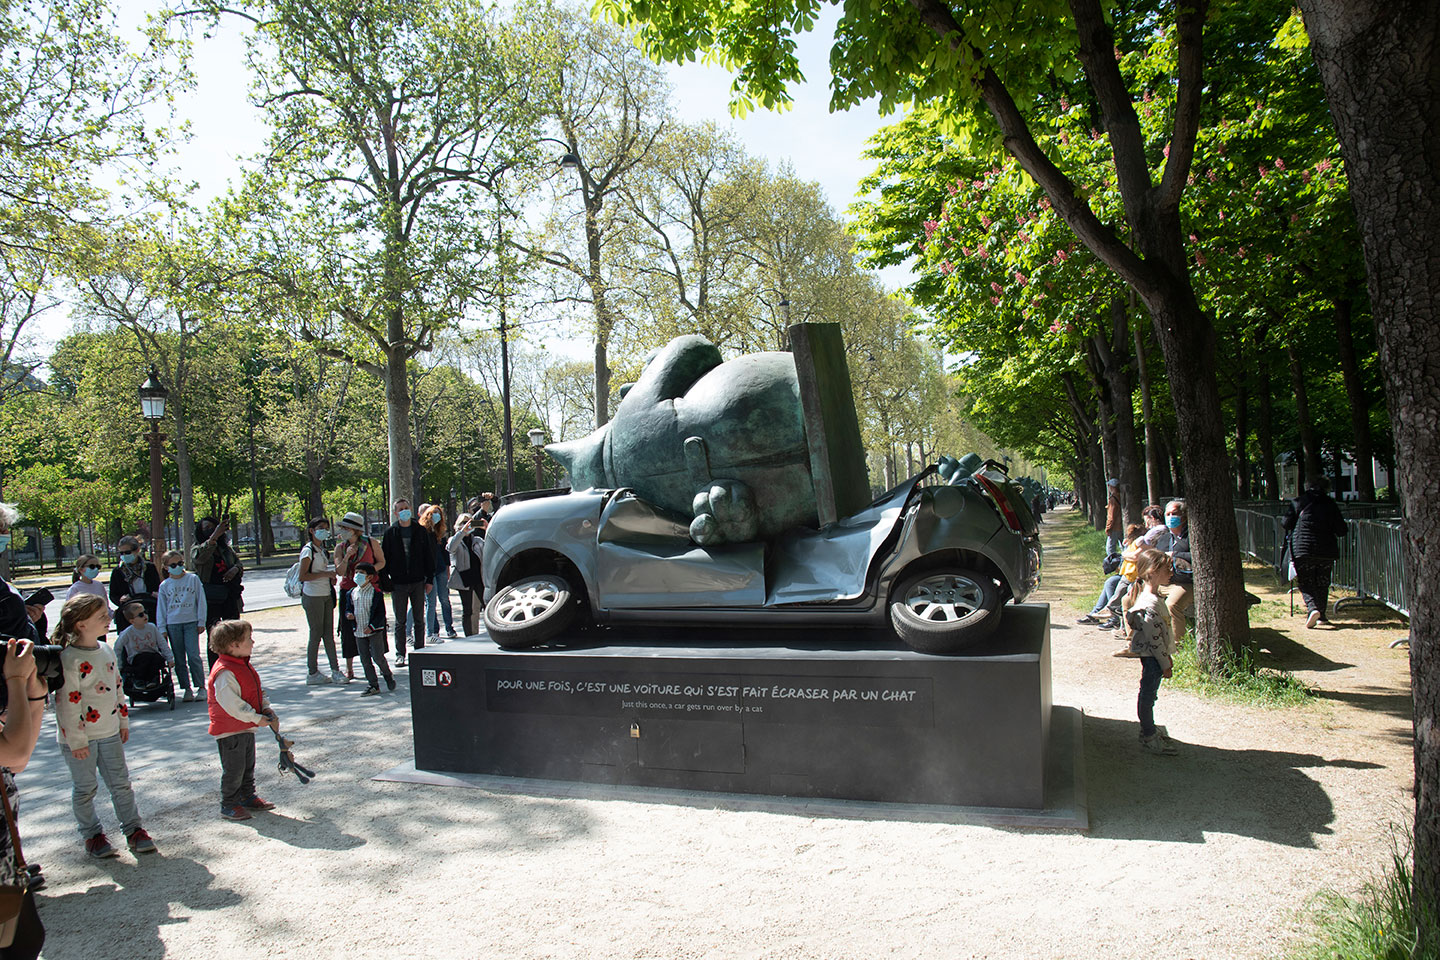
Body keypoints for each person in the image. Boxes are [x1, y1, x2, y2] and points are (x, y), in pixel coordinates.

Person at [52, 594, 157, 858]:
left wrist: (122, 720)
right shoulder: (68, 658)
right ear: (81, 624)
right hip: (80, 740)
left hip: (109, 732)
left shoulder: (106, 650)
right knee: (85, 788)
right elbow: (67, 704)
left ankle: (134, 829)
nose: (108, 619)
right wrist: (77, 741)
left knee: (121, 784)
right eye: (101, 616)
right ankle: (92, 835)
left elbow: (117, 688)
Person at [0, 635, 50, 958]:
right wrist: (15, 680)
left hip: (4, 863)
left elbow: (16, 760)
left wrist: (34, 695)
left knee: (24, 940)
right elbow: (15, 750)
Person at [205, 620, 278, 821]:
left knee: (247, 765)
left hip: (245, 727)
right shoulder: (224, 672)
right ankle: (229, 804)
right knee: (234, 769)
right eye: (248, 639)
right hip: (230, 730)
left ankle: (247, 796)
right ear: (234, 645)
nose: (253, 642)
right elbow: (233, 705)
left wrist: (264, 707)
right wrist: (256, 718)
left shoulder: (242, 665)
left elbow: (255, 690)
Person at [1116, 546, 1180, 755]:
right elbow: (1155, 642)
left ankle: (1148, 730)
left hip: (1156, 657)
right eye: (1167, 569)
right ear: (1152, 572)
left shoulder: (1155, 598)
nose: (1171, 572)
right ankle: (1148, 734)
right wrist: (1165, 663)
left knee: (1150, 695)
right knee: (1148, 696)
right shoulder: (1148, 605)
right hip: (1153, 658)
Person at [1283, 476, 1349, 629]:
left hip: (1302, 548)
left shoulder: (1299, 501)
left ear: (1307, 486)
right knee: (1322, 582)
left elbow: (1285, 523)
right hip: (1326, 549)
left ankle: (1312, 609)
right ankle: (1322, 615)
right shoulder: (1330, 504)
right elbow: (1341, 530)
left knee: (1305, 580)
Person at [380, 499, 434, 666]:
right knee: (400, 621)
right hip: (398, 583)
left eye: (406, 508)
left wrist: (429, 579)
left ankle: (420, 650)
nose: (404, 511)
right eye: (400, 509)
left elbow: (428, 556)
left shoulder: (420, 531)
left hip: (418, 581)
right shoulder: (390, 533)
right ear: (395, 513)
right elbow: (384, 559)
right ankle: (400, 653)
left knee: (419, 619)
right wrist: (385, 582)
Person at [334, 512, 385, 681]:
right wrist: (347, 556)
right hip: (349, 591)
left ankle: (379, 663)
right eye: (342, 528)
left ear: (354, 530)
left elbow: (381, 561)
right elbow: (340, 571)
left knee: (373, 626)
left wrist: (368, 572)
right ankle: (349, 668)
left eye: (346, 528)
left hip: (369, 590)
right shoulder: (340, 548)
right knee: (349, 628)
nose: (343, 531)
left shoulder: (371, 543)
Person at [155, 549, 207, 703]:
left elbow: (201, 600)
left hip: (191, 621)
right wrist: (162, 628)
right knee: (179, 658)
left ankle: (201, 686)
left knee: (193, 655)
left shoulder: (193, 579)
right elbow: (161, 608)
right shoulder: (165, 585)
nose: (177, 567)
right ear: (166, 567)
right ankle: (186, 688)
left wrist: (201, 621)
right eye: (173, 565)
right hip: (173, 624)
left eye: (180, 563)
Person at [193, 517, 243, 662]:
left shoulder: (225, 549)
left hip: (229, 596)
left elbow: (238, 563)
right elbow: (199, 558)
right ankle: (217, 667)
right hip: (210, 598)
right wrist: (214, 536)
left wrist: (235, 569)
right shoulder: (197, 548)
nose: (210, 530)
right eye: (206, 528)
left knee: (234, 632)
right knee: (214, 635)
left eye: (213, 527)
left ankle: (235, 664)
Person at [298, 518, 342, 684]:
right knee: (316, 633)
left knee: (328, 634)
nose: (324, 531)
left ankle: (335, 670)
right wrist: (326, 574)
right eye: (320, 528)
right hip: (312, 596)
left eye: (326, 528)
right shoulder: (308, 551)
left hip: (325, 594)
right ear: (312, 531)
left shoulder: (321, 550)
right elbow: (303, 576)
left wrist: (329, 578)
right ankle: (312, 672)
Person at [1077, 523, 1145, 627]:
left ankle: (1113, 618)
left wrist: (1125, 554)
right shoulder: (1131, 545)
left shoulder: (1143, 543)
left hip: (1135, 576)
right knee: (1110, 582)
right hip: (1127, 574)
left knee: (1113, 584)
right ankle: (1096, 613)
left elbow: (1133, 557)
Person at [343, 562, 395, 697]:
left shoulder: (376, 593)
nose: (357, 575)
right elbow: (348, 608)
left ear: (370, 577)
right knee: (365, 659)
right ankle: (373, 684)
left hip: (374, 631)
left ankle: (387, 674)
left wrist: (372, 627)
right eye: (356, 572)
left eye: (361, 573)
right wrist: (349, 615)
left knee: (378, 657)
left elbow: (380, 614)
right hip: (359, 631)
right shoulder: (351, 593)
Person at [1139, 499, 1194, 623]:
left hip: (1184, 583)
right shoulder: (1164, 538)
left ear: (1184, 516)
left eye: (1174, 514)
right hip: (1163, 581)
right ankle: (1138, 633)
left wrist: (1175, 554)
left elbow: (1198, 558)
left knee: (1171, 605)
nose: (1170, 517)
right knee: (1128, 599)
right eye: (1168, 514)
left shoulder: (1191, 537)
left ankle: (1175, 636)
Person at [108, 536, 161, 633]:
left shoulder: (149, 567)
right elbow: (113, 594)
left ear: (137, 550)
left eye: (127, 552)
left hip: (149, 607)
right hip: (129, 611)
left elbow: (156, 587)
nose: (124, 555)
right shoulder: (118, 571)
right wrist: (120, 599)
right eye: (121, 553)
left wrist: (155, 594)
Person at [421, 506, 456, 642]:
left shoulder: (440, 532)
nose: (436, 516)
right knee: (431, 602)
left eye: (439, 513)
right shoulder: (424, 532)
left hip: (441, 569)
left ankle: (449, 628)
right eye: (434, 513)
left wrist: (447, 569)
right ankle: (432, 631)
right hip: (429, 572)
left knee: (444, 599)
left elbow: (445, 554)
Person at [447, 512, 485, 636]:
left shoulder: (477, 540)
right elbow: (451, 548)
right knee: (467, 610)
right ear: (458, 525)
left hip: (479, 579)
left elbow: (490, 547)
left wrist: (487, 528)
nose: (468, 525)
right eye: (464, 522)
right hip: (464, 580)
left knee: (487, 605)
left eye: (470, 522)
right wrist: (462, 532)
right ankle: (469, 636)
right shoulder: (454, 540)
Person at [114, 603, 175, 676]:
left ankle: (154, 679)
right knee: (144, 660)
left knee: (157, 659)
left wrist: (169, 658)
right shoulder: (127, 633)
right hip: (137, 658)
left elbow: (162, 643)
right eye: (141, 615)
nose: (145, 615)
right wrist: (119, 665)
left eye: (145, 612)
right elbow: (117, 647)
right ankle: (142, 679)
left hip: (153, 655)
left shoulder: (152, 627)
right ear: (132, 621)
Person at [1104, 478, 1122, 554]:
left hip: (1115, 526)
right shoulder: (1121, 496)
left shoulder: (1113, 499)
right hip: (1121, 524)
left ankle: (1112, 560)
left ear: (1112, 487)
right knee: (1123, 545)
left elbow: (1111, 516)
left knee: (1110, 548)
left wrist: (1108, 527)